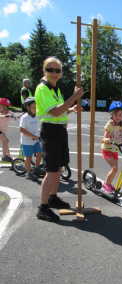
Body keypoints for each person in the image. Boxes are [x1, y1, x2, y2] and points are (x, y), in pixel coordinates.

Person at [35, 56, 83, 222]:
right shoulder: (43, 88)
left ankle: (53, 197)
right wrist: (74, 97)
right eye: (51, 70)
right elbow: (54, 113)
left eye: (57, 70)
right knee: (51, 171)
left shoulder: (54, 88)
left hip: (60, 131)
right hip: (51, 132)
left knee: (59, 167)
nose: (54, 73)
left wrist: (71, 109)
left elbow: (59, 111)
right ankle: (43, 208)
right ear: (44, 71)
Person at [20, 97, 45, 181]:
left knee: (40, 153)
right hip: (26, 141)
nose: (35, 109)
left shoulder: (37, 116)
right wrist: (32, 136)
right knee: (29, 157)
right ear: (28, 107)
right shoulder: (25, 117)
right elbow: (22, 129)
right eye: (33, 107)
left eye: (36, 107)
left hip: (35, 141)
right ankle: (28, 173)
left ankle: (36, 167)